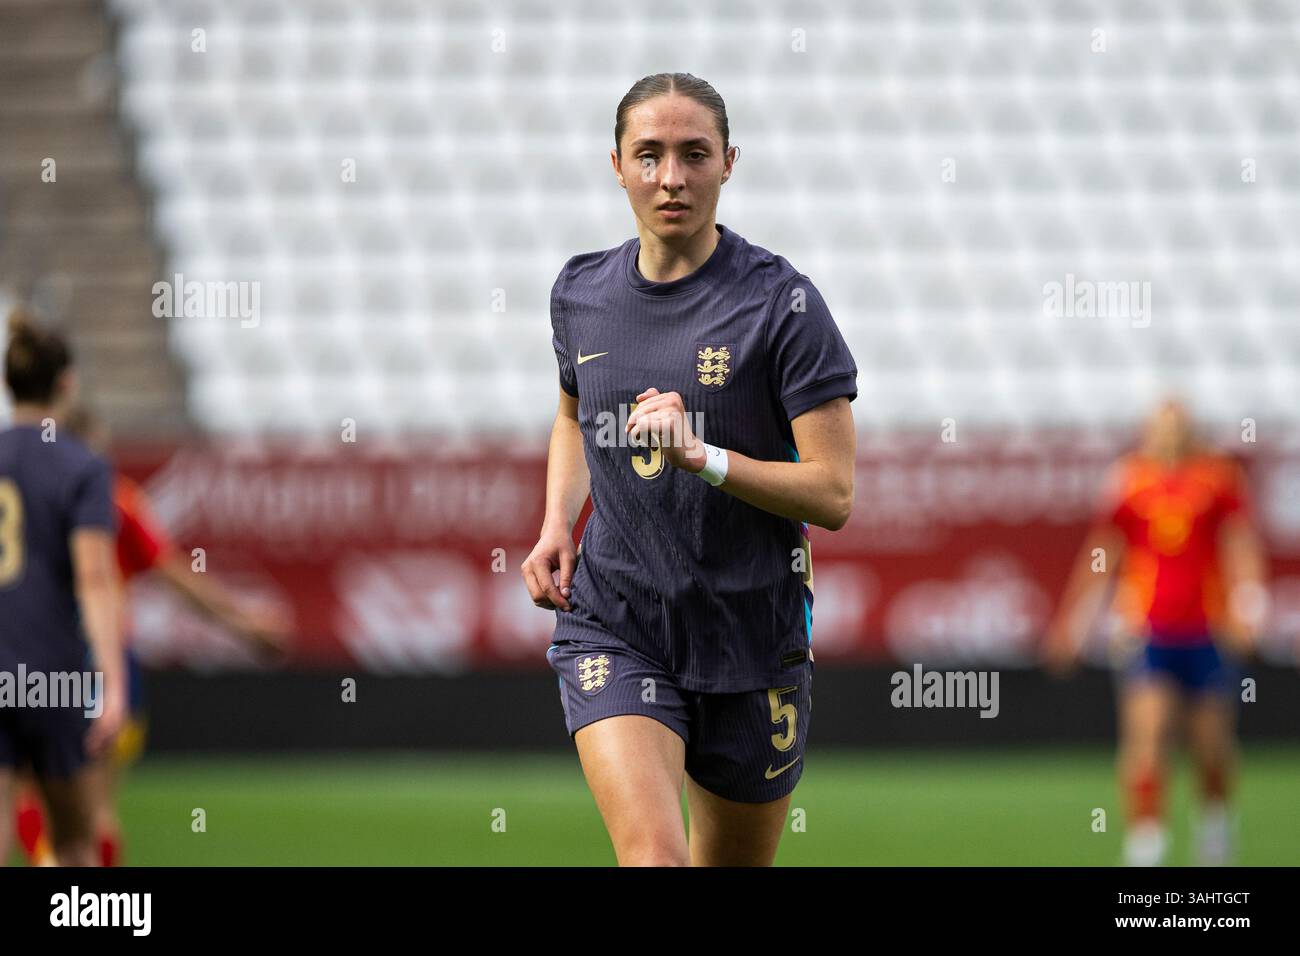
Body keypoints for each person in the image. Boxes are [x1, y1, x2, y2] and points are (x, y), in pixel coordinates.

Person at [520, 73, 858, 866]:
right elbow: (573, 413)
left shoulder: (784, 307)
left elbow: (834, 493)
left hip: (752, 634)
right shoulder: (579, 294)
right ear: (617, 164)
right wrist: (554, 524)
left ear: (729, 162)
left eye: (693, 154)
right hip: (617, 620)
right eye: (650, 154)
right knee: (656, 860)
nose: (670, 177)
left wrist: (701, 457)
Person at [14, 403, 290, 867]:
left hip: (29, 660)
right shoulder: (111, 499)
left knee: (27, 796)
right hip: (98, 663)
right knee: (95, 810)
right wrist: (244, 625)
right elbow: (176, 577)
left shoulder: (21, 493)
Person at [1045, 398, 1267, 866]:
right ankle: (1146, 847)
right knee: (1146, 739)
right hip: (1147, 630)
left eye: (1177, 425)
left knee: (1212, 747)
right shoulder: (1130, 481)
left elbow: (1239, 546)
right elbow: (1101, 556)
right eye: (1160, 425)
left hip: (1207, 630)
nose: (1168, 433)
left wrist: (1250, 607)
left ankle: (1214, 833)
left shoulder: (1218, 479)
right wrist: (1074, 623)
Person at [0, 307, 125, 865]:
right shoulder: (82, 466)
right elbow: (96, 579)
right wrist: (114, 685)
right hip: (54, 673)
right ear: (66, 383)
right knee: (75, 843)